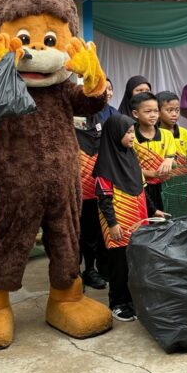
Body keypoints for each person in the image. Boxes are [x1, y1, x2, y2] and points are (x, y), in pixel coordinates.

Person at [92, 113, 162, 322]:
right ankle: (117, 303)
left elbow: (142, 189)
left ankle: (131, 300)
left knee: (135, 263)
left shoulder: (131, 158)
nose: (132, 136)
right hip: (119, 224)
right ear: (115, 134)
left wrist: (153, 211)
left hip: (138, 220)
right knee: (119, 266)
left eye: (133, 132)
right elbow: (104, 199)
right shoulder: (105, 166)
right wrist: (112, 224)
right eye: (128, 132)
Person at [74, 112, 107, 290]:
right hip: (71, 194)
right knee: (72, 235)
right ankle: (73, 272)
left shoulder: (99, 123)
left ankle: (90, 270)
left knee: (91, 236)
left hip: (94, 192)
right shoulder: (65, 125)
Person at [130, 92, 176, 212]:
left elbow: (174, 161)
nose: (153, 115)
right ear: (135, 114)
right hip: (141, 187)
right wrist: (153, 174)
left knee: (166, 217)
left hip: (165, 187)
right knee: (147, 218)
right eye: (147, 111)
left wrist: (169, 160)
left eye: (156, 111)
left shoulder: (167, 135)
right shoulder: (131, 138)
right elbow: (130, 169)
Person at [157, 91, 187, 164]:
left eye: (177, 110)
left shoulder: (184, 133)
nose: (174, 114)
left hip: (183, 171)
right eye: (169, 110)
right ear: (158, 112)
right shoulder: (153, 134)